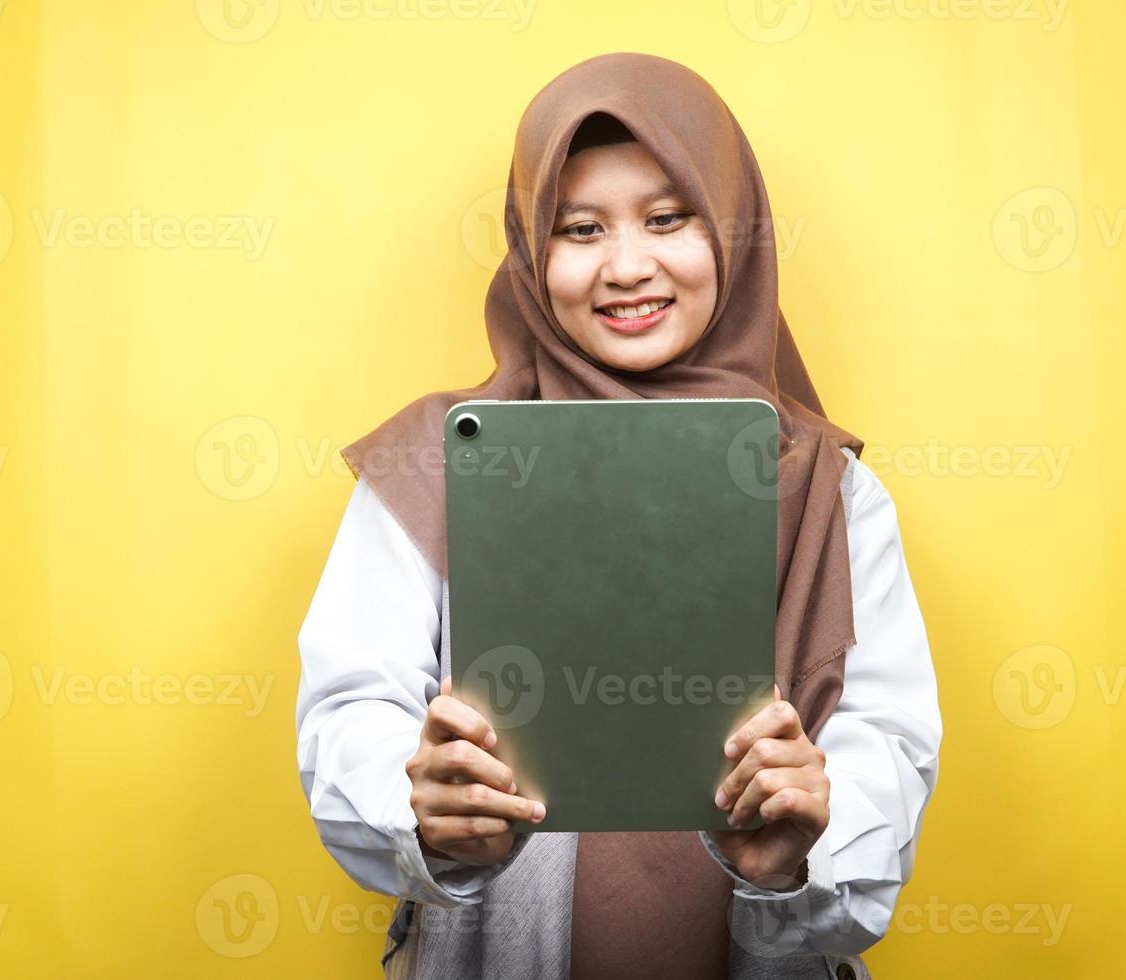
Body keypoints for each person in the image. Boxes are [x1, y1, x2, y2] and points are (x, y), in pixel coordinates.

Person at [294, 52, 941, 980]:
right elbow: (350, 709)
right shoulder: (438, 462)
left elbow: (887, 739)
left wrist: (807, 843)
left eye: (669, 218)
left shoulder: (826, 490)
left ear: (732, 229)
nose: (627, 267)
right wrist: (423, 803)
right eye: (579, 227)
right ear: (528, 250)